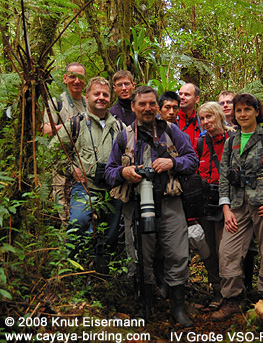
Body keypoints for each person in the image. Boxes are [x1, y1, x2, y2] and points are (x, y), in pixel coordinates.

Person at [104, 85, 198, 327]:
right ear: (133, 107)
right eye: (141, 104)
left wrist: (172, 163)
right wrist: (125, 171)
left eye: (151, 104)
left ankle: (178, 308)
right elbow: (109, 172)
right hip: (136, 204)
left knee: (177, 253)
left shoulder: (171, 131)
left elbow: (192, 160)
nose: (147, 108)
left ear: (157, 106)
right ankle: (144, 306)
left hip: (169, 202)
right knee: (139, 256)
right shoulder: (124, 136)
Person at [211, 94, 263, 321]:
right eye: (238, 111)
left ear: (257, 111)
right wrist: (225, 208)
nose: (243, 114)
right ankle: (232, 299)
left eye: (247, 109)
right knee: (227, 252)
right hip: (237, 204)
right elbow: (224, 177)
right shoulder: (230, 141)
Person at [50, 77, 124, 274]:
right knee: (78, 224)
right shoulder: (76, 123)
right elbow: (52, 151)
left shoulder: (119, 127)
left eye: (105, 94)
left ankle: (101, 276)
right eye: (96, 94)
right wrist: (71, 169)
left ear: (110, 98)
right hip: (85, 186)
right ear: (88, 96)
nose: (101, 98)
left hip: (112, 190)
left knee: (109, 236)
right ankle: (70, 273)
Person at [195, 102, 233, 310]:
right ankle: (217, 290)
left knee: (225, 249)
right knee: (208, 249)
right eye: (202, 118)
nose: (206, 122)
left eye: (209, 117)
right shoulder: (201, 142)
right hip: (206, 201)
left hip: (228, 202)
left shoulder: (233, 139)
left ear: (219, 116)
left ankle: (231, 293)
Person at [43, 62, 87, 225]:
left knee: (84, 208)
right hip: (61, 161)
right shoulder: (56, 103)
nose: (76, 81)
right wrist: (68, 125)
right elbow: (46, 130)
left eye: (80, 77)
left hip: (84, 162)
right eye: (72, 77)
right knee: (63, 207)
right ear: (65, 78)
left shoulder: (88, 103)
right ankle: (65, 245)